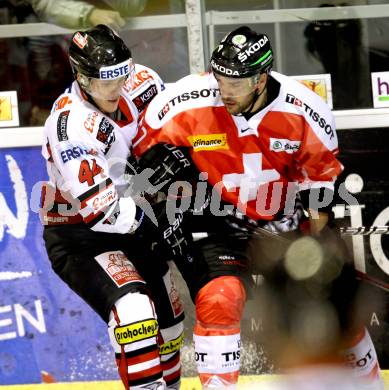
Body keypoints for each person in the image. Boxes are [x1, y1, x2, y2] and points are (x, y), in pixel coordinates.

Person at [132, 26, 384, 389]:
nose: (224, 89)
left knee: (332, 307)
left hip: (285, 220)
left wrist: (314, 248)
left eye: (235, 82)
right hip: (217, 221)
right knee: (219, 298)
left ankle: (370, 384)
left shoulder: (304, 109)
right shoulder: (185, 101)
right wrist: (160, 185)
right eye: (220, 77)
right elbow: (139, 165)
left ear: (261, 78)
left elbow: (319, 192)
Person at [40, 24, 187, 390]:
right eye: (107, 82)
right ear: (82, 78)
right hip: (83, 235)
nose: (118, 88)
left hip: (137, 218)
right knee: (134, 313)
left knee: (171, 329)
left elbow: (173, 133)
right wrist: (163, 219)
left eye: (123, 74)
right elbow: (103, 212)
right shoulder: (70, 125)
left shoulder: (143, 81)